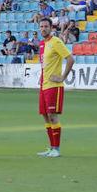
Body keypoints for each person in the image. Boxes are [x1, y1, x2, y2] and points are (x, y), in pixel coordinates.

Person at [37, 18, 74, 158]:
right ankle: (51, 147)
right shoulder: (42, 44)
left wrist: (63, 77)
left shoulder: (56, 42)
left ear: (51, 27)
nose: (43, 28)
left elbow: (70, 59)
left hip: (54, 86)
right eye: (41, 26)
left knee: (53, 116)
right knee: (46, 117)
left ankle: (56, 149)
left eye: (46, 26)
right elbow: (45, 65)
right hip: (44, 85)